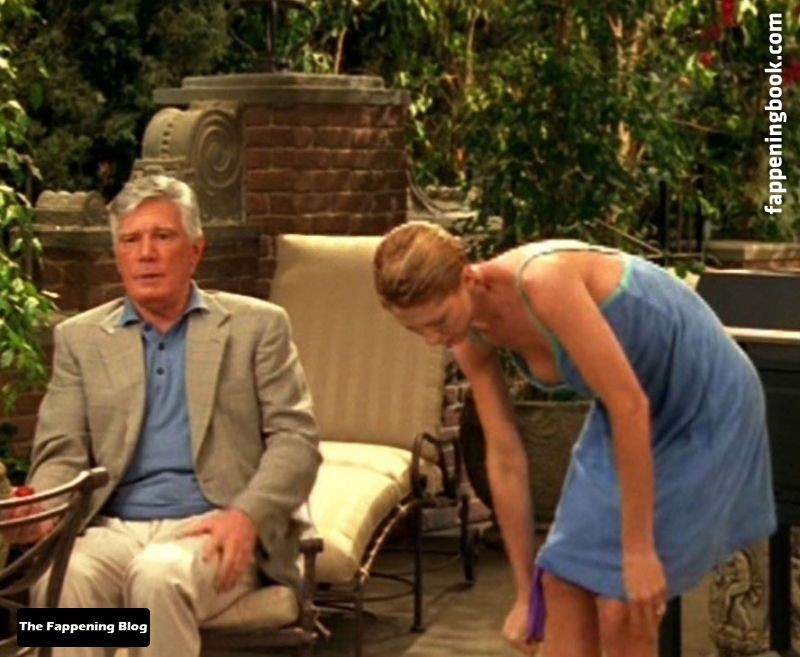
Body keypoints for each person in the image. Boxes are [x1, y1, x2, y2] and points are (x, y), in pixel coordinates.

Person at [373, 221, 775, 657]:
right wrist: (524, 595)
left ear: (468, 278)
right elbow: (505, 455)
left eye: (438, 322)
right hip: (624, 409)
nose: (433, 340)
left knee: (623, 605)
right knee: (560, 584)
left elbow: (631, 407)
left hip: (701, 402)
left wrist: (638, 551)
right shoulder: (468, 337)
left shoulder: (543, 281)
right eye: (417, 331)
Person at [22, 174, 321, 657]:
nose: (146, 253)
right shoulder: (81, 338)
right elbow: (61, 451)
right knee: (61, 587)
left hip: (216, 525)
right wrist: (43, 509)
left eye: (162, 236)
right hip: (113, 529)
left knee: (157, 577)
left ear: (196, 250)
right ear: (117, 254)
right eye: (130, 240)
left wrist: (246, 515)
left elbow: (296, 442)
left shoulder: (257, 327)